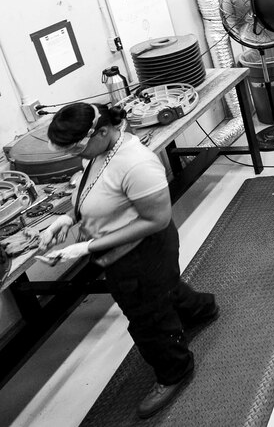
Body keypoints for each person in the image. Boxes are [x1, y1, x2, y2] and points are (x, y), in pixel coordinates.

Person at [38, 103, 218, 419]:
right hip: (129, 255)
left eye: (76, 147)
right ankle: (202, 308)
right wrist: (67, 219)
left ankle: (174, 371)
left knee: (147, 317)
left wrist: (86, 248)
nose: (73, 154)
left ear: (103, 131)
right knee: (163, 289)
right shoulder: (99, 152)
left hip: (141, 253)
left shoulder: (137, 165)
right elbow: (98, 193)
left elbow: (157, 220)